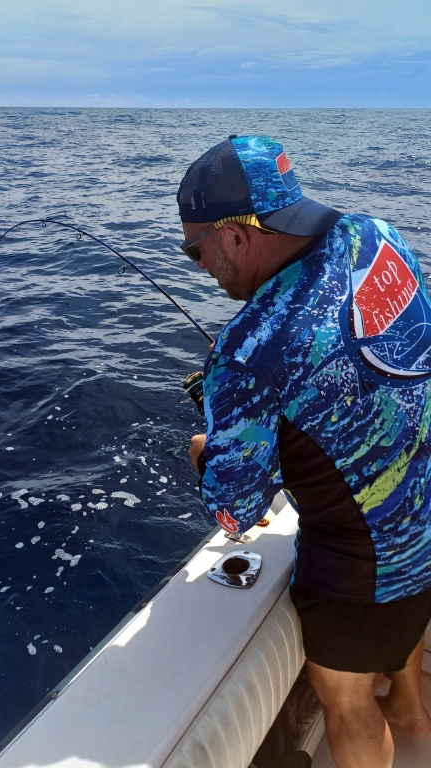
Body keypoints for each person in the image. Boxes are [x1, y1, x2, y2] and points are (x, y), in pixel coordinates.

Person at [177, 134, 431, 768]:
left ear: (235, 235)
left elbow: (237, 513)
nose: (202, 266)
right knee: (404, 679)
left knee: (348, 707)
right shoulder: (376, 236)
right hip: (425, 518)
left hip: (359, 571)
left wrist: (206, 447)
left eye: (196, 249)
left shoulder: (247, 351)